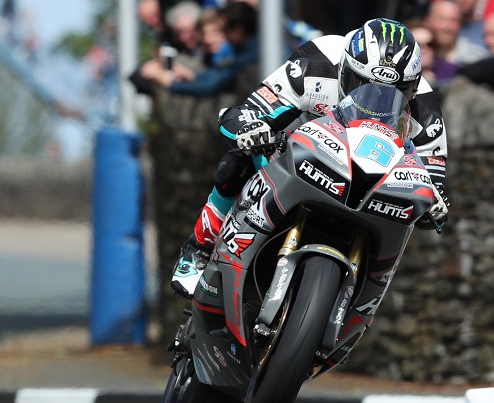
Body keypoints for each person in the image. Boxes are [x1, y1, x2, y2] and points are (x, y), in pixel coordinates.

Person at [170, 17, 450, 297]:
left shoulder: (425, 111)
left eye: (393, 93)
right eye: (362, 84)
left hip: (368, 186)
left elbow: (432, 180)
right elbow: (251, 109)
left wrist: (432, 205)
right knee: (239, 158)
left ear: (411, 87)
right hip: (298, 153)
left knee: (404, 223)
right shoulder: (316, 62)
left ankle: (359, 305)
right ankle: (198, 249)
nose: (374, 100)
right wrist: (250, 128)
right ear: (344, 69)